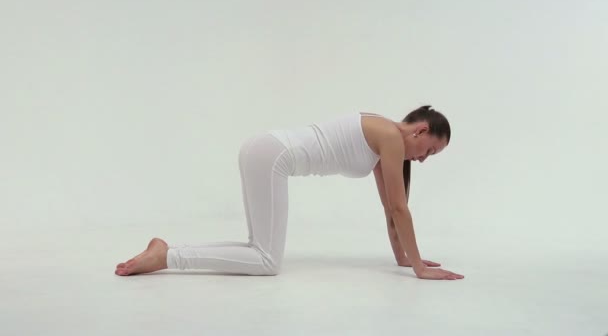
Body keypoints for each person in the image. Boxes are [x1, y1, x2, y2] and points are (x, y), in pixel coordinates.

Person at [115, 105, 464, 280]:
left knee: (260, 252)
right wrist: (419, 267)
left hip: (265, 151)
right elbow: (402, 209)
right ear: (419, 131)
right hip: (271, 156)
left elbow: (391, 207)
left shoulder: (383, 144)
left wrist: (403, 258)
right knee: (267, 261)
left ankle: (168, 253)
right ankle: (168, 257)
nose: (423, 160)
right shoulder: (388, 136)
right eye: (429, 150)